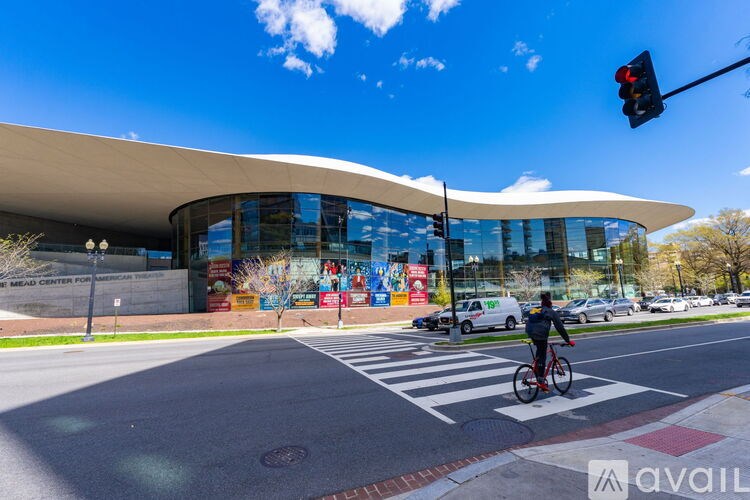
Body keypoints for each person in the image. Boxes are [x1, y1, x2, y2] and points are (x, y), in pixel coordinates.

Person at [524, 292, 575, 392]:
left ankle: (537, 370)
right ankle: (541, 381)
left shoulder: (537, 309)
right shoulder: (551, 312)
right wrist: (568, 340)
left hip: (530, 332)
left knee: (540, 351)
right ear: (550, 304)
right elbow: (560, 327)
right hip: (540, 335)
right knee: (543, 356)